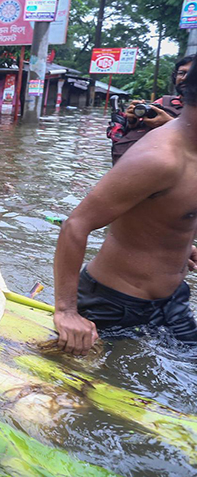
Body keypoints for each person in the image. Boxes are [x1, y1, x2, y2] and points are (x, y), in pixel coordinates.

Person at [52, 65, 197, 356]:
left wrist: (183, 243)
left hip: (173, 298)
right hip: (114, 305)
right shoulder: (160, 159)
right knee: (85, 395)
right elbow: (76, 225)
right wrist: (66, 311)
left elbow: (173, 211)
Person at [108, 55, 193, 164]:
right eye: (181, 73)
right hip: (129, 166)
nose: (185, 78)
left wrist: (169, 123)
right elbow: (135, 131)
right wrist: (132, 120)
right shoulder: (163, 102)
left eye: (191, 74)